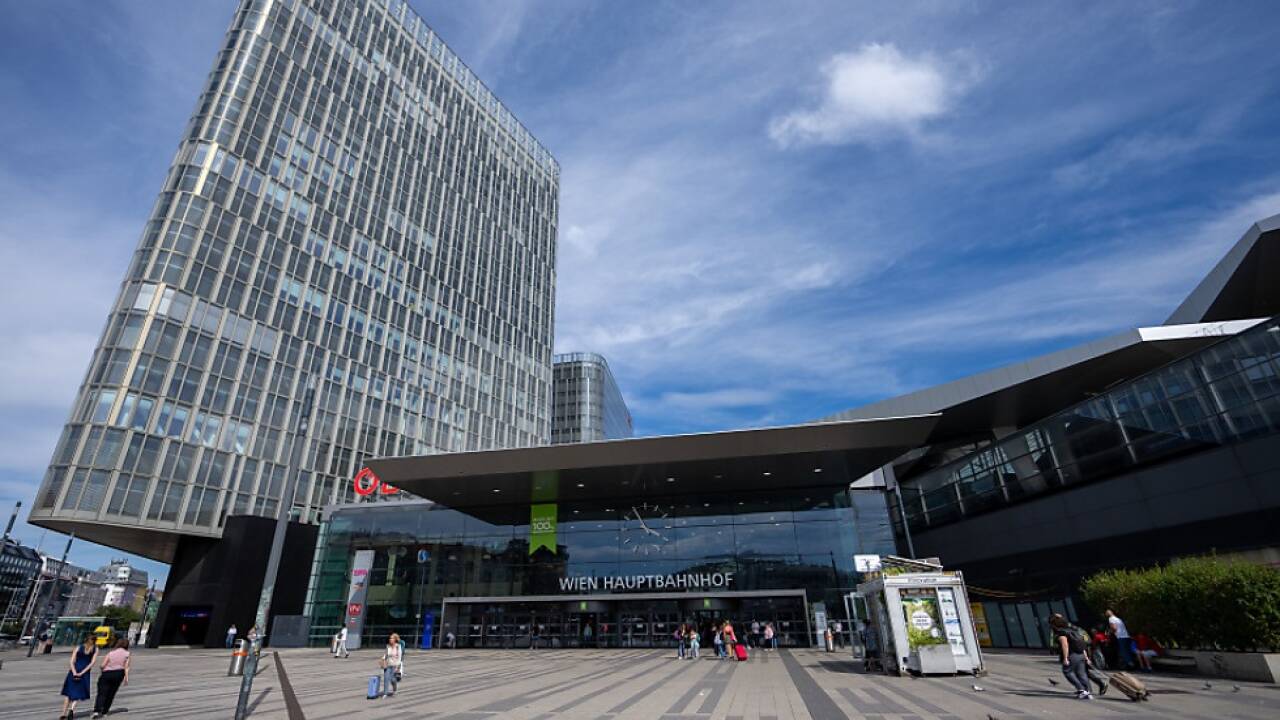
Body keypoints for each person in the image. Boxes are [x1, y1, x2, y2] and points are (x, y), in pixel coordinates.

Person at [1051, 614, 1093, 700]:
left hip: (1072, 655)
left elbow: (1065, 645)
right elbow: (1081, 644)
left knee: (1067, 671)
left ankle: (1081, 690)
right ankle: (1087, 691)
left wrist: (1066, 658)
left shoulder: (1062, 633)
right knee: (1082, 673)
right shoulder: (1073, 630)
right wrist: (1086, 657)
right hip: (1081, 654)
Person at [60, 634, 97, 719]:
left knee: (68, 693)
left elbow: (72, 661)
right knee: (78, 692)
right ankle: (71, 709)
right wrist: (82, 673)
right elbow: (92, 663)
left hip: (74, 670)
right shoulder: (95, 649)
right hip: (84, 673)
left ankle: (63, 714)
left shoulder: (78, 647)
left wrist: (74, 672)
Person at [92, 638, 131, 718]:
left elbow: (103, 665)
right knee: (111, 693)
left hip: (107, 673)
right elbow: (126, 667)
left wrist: (102, 669)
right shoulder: (127, 654)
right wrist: (126, 678)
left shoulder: (111, 653)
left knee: (102, 693)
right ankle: (105, 711)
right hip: (119, 674)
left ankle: (97, 711)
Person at [379, 633, 403, 698]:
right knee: (386, 678)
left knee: (393, 679)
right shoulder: (388, 646)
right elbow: (386, 654)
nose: (390, 639)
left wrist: (398, 667)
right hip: (388, 664)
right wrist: (383, 658)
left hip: (395, 665)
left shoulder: (398, 646)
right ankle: (385, 693)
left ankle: (394, 689)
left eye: (392, 638)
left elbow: (399, 657)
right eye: (390, 638)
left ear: (395, 639)